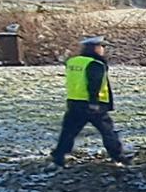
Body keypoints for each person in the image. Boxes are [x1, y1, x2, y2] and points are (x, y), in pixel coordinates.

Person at [51, 36, 128, 167]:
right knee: (107, 131)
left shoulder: (73, 61)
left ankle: (59, 155)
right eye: (102, 47)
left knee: (69, 131)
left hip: (74, 101)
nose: (103, 50)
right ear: (95, 48)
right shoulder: (95, 64)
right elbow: (94, 83)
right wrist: (94, 102)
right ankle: (118, 156)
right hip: (92, 105)